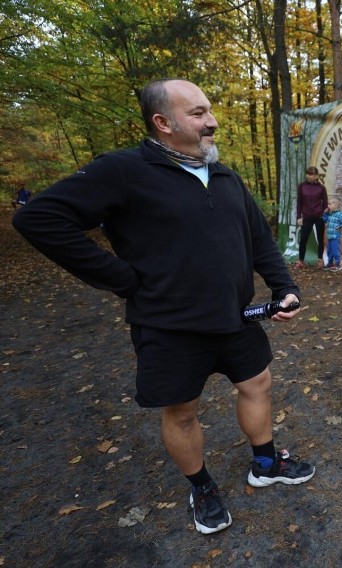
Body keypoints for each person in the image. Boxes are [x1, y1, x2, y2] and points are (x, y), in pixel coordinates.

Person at [12, 78, 315, 535]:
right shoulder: (123, 170)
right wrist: (123, 278)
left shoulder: (225, 175)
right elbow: (39, 219)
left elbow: (258, 241)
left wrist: (283, 285)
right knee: (182, 411)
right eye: (197, 113)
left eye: (208, 110)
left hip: (236, 319)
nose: (211, 121)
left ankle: (266, 462)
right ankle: (203, 487)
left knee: (257, 384)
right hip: (168, 327)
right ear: (163, 123)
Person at [295, 166, 328, 269]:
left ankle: (319, 260)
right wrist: (299, 216)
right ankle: (300, 261)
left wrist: (322, 213)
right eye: (307, 174)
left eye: (311, 174)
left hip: (319, 217)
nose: (308, 176)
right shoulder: (302, 186)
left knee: (320, 238)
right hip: (306, 216)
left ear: (316, 176)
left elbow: (325, 203)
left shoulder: (321, 188)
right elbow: (299, 202)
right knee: (303, 239)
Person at [322, 196, 342, 271]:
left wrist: (339, 226)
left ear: (335, 206)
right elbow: (325, 220)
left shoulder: (340, 214)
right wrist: (325, 213)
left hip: (335, 236)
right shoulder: (330, 214)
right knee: (329, 251)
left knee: (335, 250)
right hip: (329, 236)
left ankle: (337, 264)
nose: (328, 206)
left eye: (330, 204)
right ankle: (330, 263)